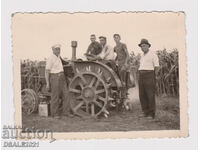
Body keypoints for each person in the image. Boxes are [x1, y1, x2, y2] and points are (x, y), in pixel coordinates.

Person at [45, 44, 72, 119]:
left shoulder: (59, 57)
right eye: (56, 49)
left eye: (59, 49)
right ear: (53, 50)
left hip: (62, 77)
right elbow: (47, 71)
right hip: (55, 77)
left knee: (66, 95)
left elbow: (65, 62)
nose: (58, 50)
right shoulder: (50, 58)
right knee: (55, 96)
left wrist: (70, 63)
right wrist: (47, 83)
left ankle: (66, 113)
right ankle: (55, 114)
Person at [138, 39, 160, 119]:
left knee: (150, 95)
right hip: (141, 75)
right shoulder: (142, 55)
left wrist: (154, 76)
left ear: (148, 46)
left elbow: (157, 67)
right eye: (141, 46)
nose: (142, 47)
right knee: (142, 95)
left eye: (144, 46)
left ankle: (151, 114)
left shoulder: (153, 54)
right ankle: (145, 112)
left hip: (149, 75)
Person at [113, 34, 130, 101]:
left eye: (117, 37)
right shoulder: (115, 47)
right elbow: (118, 55)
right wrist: (114, 61)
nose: (116, 39)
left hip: (124, 63)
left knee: (124, 81)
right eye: (115, 38)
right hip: (119, 64)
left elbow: (127, 55)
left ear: (120, 38)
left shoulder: (123, 45)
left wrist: (125, 64)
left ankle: (125, 97)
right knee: (120, 81)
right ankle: (122, 97)